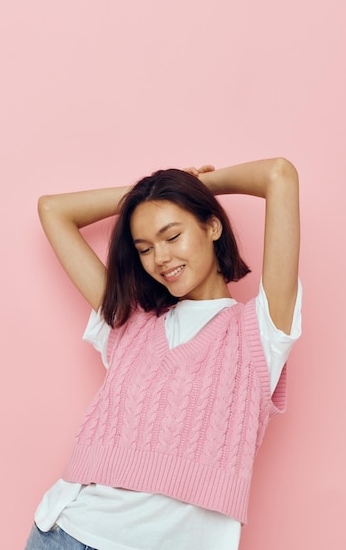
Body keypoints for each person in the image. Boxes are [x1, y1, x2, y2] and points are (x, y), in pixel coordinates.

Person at [25, 158, 301, 550]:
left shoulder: (259, 332)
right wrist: (144, 196)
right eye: (145, 248)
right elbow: (53, 210)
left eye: (172, 236)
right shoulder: (130, 324)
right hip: (66, 535)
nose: (161, 258)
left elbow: (279, 175)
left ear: (212, 225)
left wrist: (194, 185)